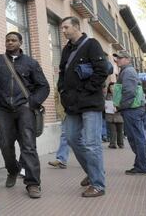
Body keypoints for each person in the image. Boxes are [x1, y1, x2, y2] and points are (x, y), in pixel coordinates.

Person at [0, 32, 50, 199]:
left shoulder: (31, 63)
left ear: (20, 43)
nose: (10, 43)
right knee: (5, 144)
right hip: (4, 111)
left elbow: (44, 87)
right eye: (7, 40)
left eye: (13, 40)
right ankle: (13, 170)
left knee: (28, 145)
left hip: (25, 109)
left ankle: (33, 183)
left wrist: (32, 103)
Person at [58, 16, 108, 198]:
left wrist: (87, 91)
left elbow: (102, 70)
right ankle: (94, 171)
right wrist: (61, 90)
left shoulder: (92, 44)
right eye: (62, 28)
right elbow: (62, 72)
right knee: (71, 138)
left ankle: (98, 184)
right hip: (72, 104)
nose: (63, 31)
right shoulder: (66, 49)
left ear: (76, 27)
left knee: (92, 144)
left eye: (66, 27)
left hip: (90, 103)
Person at [113, 50, 146, 175]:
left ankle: (143, 166)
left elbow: (129, 92)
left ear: (128, 59)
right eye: (117, 58)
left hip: (132, 110)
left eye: (120, 58)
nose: (117, 60)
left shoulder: (128, 71)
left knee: (136, 138)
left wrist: (120, 107)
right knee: (137, 138)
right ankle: (140, 164)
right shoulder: (127, 71)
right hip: (133, 109)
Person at [48, 89, 69, 169]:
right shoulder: (60, 82)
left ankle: (89, 159)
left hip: (77, 112)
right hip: (65, 113)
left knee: (81, 139)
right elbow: (56, 97)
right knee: (64, 135)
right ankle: (61, 159)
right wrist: (59, 110)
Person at [105, 82, 124, 149]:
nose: (112, 88)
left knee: (120, 131)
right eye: (110, 87)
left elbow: (123, 104)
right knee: (112, 131)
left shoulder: (120, 95)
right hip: (110, 116)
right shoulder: (107, 96)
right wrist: (105, 107)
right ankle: (112, 144)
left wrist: (118, 108)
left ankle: (120, 144)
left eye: (113, 87)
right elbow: (104, 104)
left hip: (119, 115)